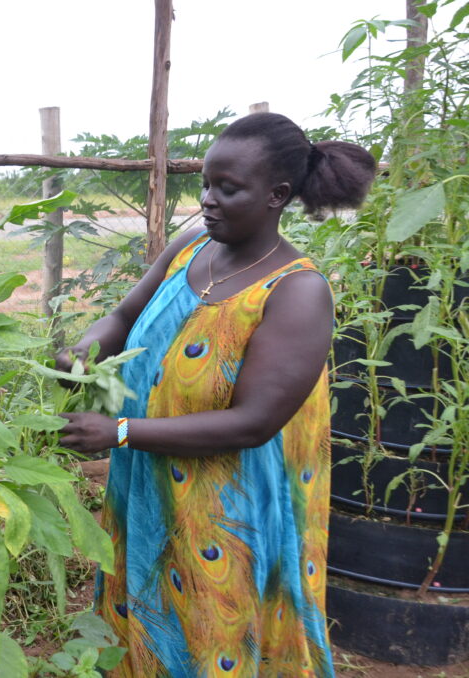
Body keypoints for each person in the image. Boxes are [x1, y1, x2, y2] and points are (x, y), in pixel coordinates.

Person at [56, 112, 376, 677]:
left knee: (215, 629)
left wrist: (120, 432)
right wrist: (85, 350)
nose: (208, 199)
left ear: (277, 195)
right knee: (140, 614)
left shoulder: (296, 292)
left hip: (229, 508)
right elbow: (125, 314)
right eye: (206, 184)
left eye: (228, 189)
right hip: (149, 479)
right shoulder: (191, 248)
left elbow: (253, 423)